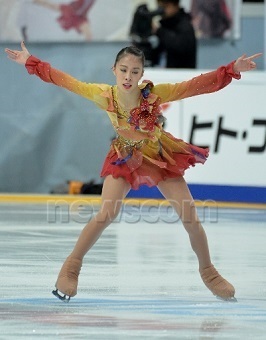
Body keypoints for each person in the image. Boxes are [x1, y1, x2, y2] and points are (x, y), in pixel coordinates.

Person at [5, 42, 261, 302]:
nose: (128, 77)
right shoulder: (103, 94)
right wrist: (31, 61)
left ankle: (209, 272)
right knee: (106, 213)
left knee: (190, 215)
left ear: (142, 74)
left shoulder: (154, 95)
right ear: (114, 69)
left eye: (135, 71)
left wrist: (230, 69)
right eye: (124, 70)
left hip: (159, 155)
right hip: (125, 157)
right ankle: (71, 268)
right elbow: (65, 80)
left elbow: (194, 86)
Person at [152, 0, 197, 68]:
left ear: (176, 5)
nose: (162, 10)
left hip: (183, 74)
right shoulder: (165, 25)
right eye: (160, 6)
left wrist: (159, 31)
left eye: (165, 6)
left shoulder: (185, 25)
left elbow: (180, 46)